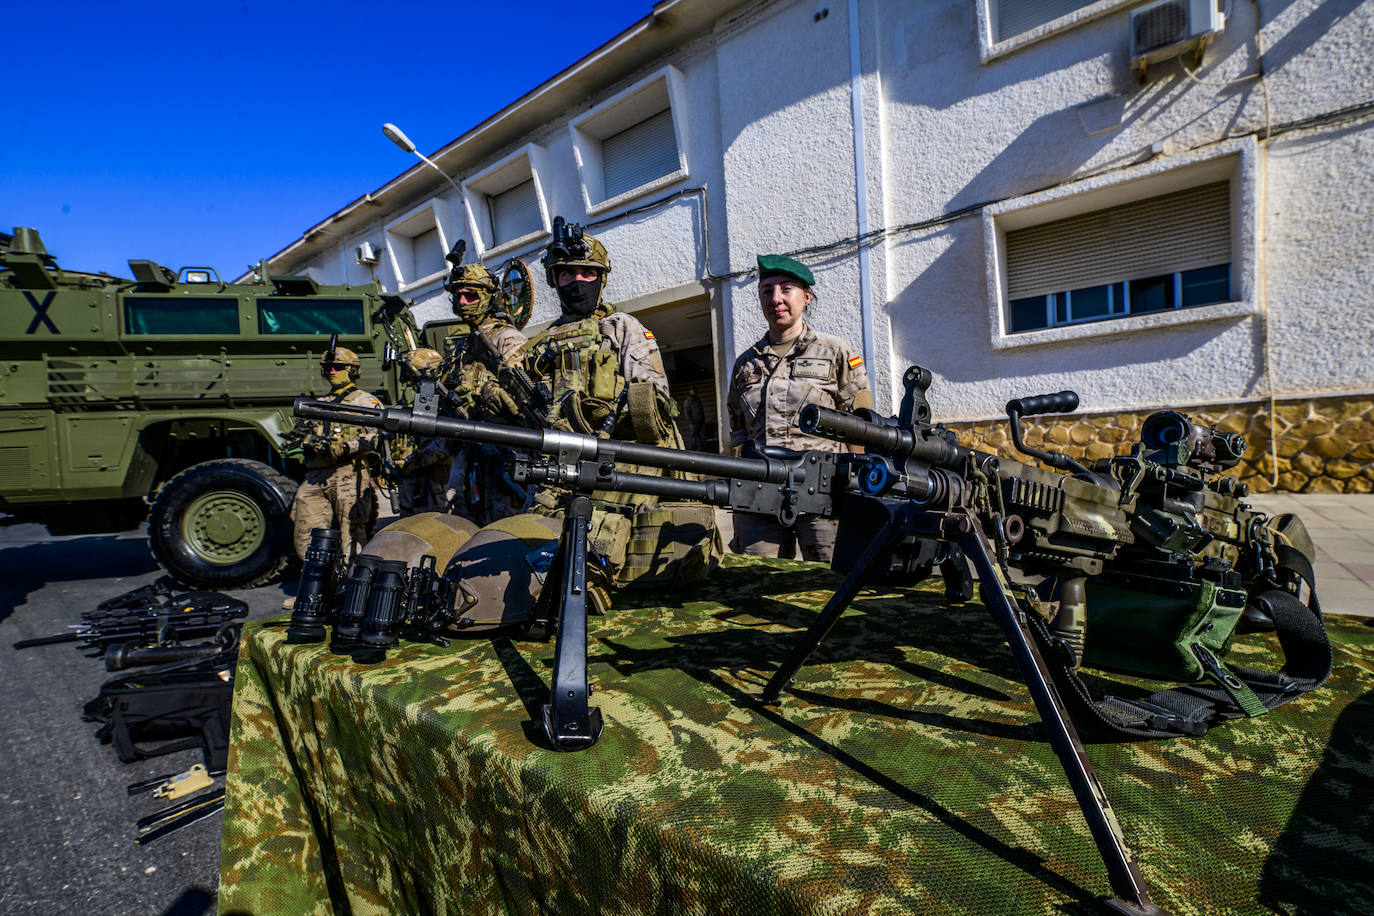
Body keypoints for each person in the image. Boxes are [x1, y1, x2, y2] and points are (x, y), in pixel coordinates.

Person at [725, 254, 873, 563]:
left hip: (822, 491)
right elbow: (740, 434)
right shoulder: (745, 364)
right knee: (757, 577)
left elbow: (861, 427)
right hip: (759, 491)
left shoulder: (834, 352)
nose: (775, 299)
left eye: (786, 289)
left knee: (831, 577)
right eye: (767, 290)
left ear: (806, 296)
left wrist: (858, 486)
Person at [285, 347, 383, 607]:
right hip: (317, 474)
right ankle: (315, 591)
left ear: (353, 370)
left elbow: (378, 436)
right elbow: (298, 435)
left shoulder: (365, 402)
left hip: (349, 472)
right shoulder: (319, 403)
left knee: (352, 534)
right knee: (306, 533)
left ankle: (355, 592)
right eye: (327, 367)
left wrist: (347, 447)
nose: (332, 371)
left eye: (338, 367)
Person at [435, 262, 529, 525]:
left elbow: (521, 400)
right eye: (458, 296)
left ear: (488, 297)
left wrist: (479, 388)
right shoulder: (464, 346)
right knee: (459, 526)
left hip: (502, 451)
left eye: (471, 295)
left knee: (504, 528)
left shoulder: (507, 339)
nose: (463, 302)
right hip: (469, 454)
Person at [681, 386, 706, 451]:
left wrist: (703, 421)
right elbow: (687, 412)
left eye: (694, 391)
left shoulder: (698, 401)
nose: (693, 392)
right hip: (693, 423)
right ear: (690, 392)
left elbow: (702, 411)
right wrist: (691, 421)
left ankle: (702, 450)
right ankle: (693, 451)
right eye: (692, 391)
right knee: (693, 437)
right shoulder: (688, 401)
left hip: (700, 422)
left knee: (702, 437)